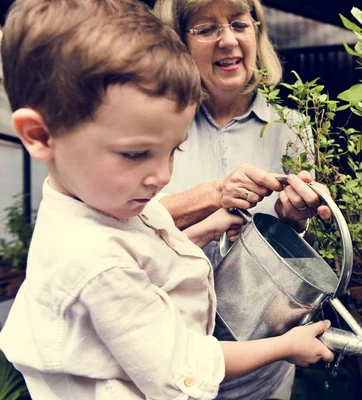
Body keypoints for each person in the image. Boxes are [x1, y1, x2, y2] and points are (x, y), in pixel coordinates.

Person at [0, 1, 335, 399]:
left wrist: (205, 229)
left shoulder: (98, 200)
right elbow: (183, 366)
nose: (162, 176)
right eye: (136, 154)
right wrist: (285, 347)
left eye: (174, 150)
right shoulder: (97, 265)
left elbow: (143, 245)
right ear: (39, 136)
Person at [152, 1, 330, 399]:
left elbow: (290, 245)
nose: (228, 40)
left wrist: (295, 215)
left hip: (262, 358)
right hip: (166, 350)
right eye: (206, 29)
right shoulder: (156, 123)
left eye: (238, 24)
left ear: (257, 33)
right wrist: (212, 194)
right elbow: (125, 224)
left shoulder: (291, 127)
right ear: (178, 43)